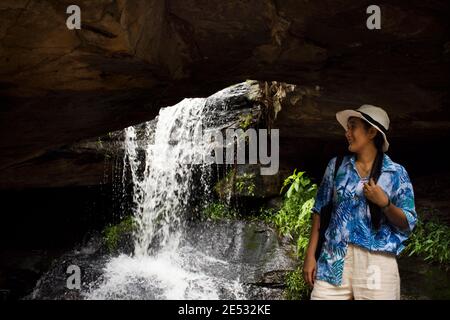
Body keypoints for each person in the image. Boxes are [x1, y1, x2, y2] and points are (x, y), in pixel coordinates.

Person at [303, 104, 417, 300]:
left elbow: (408, 221)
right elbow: (319, 209)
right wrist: (310, 255)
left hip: (377, 261)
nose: (347, 133)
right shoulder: (336, 166)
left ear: (372, 132)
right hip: (334, 257)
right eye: (347, 128)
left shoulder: (396, 173)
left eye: (352, 126)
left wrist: (385, 204)